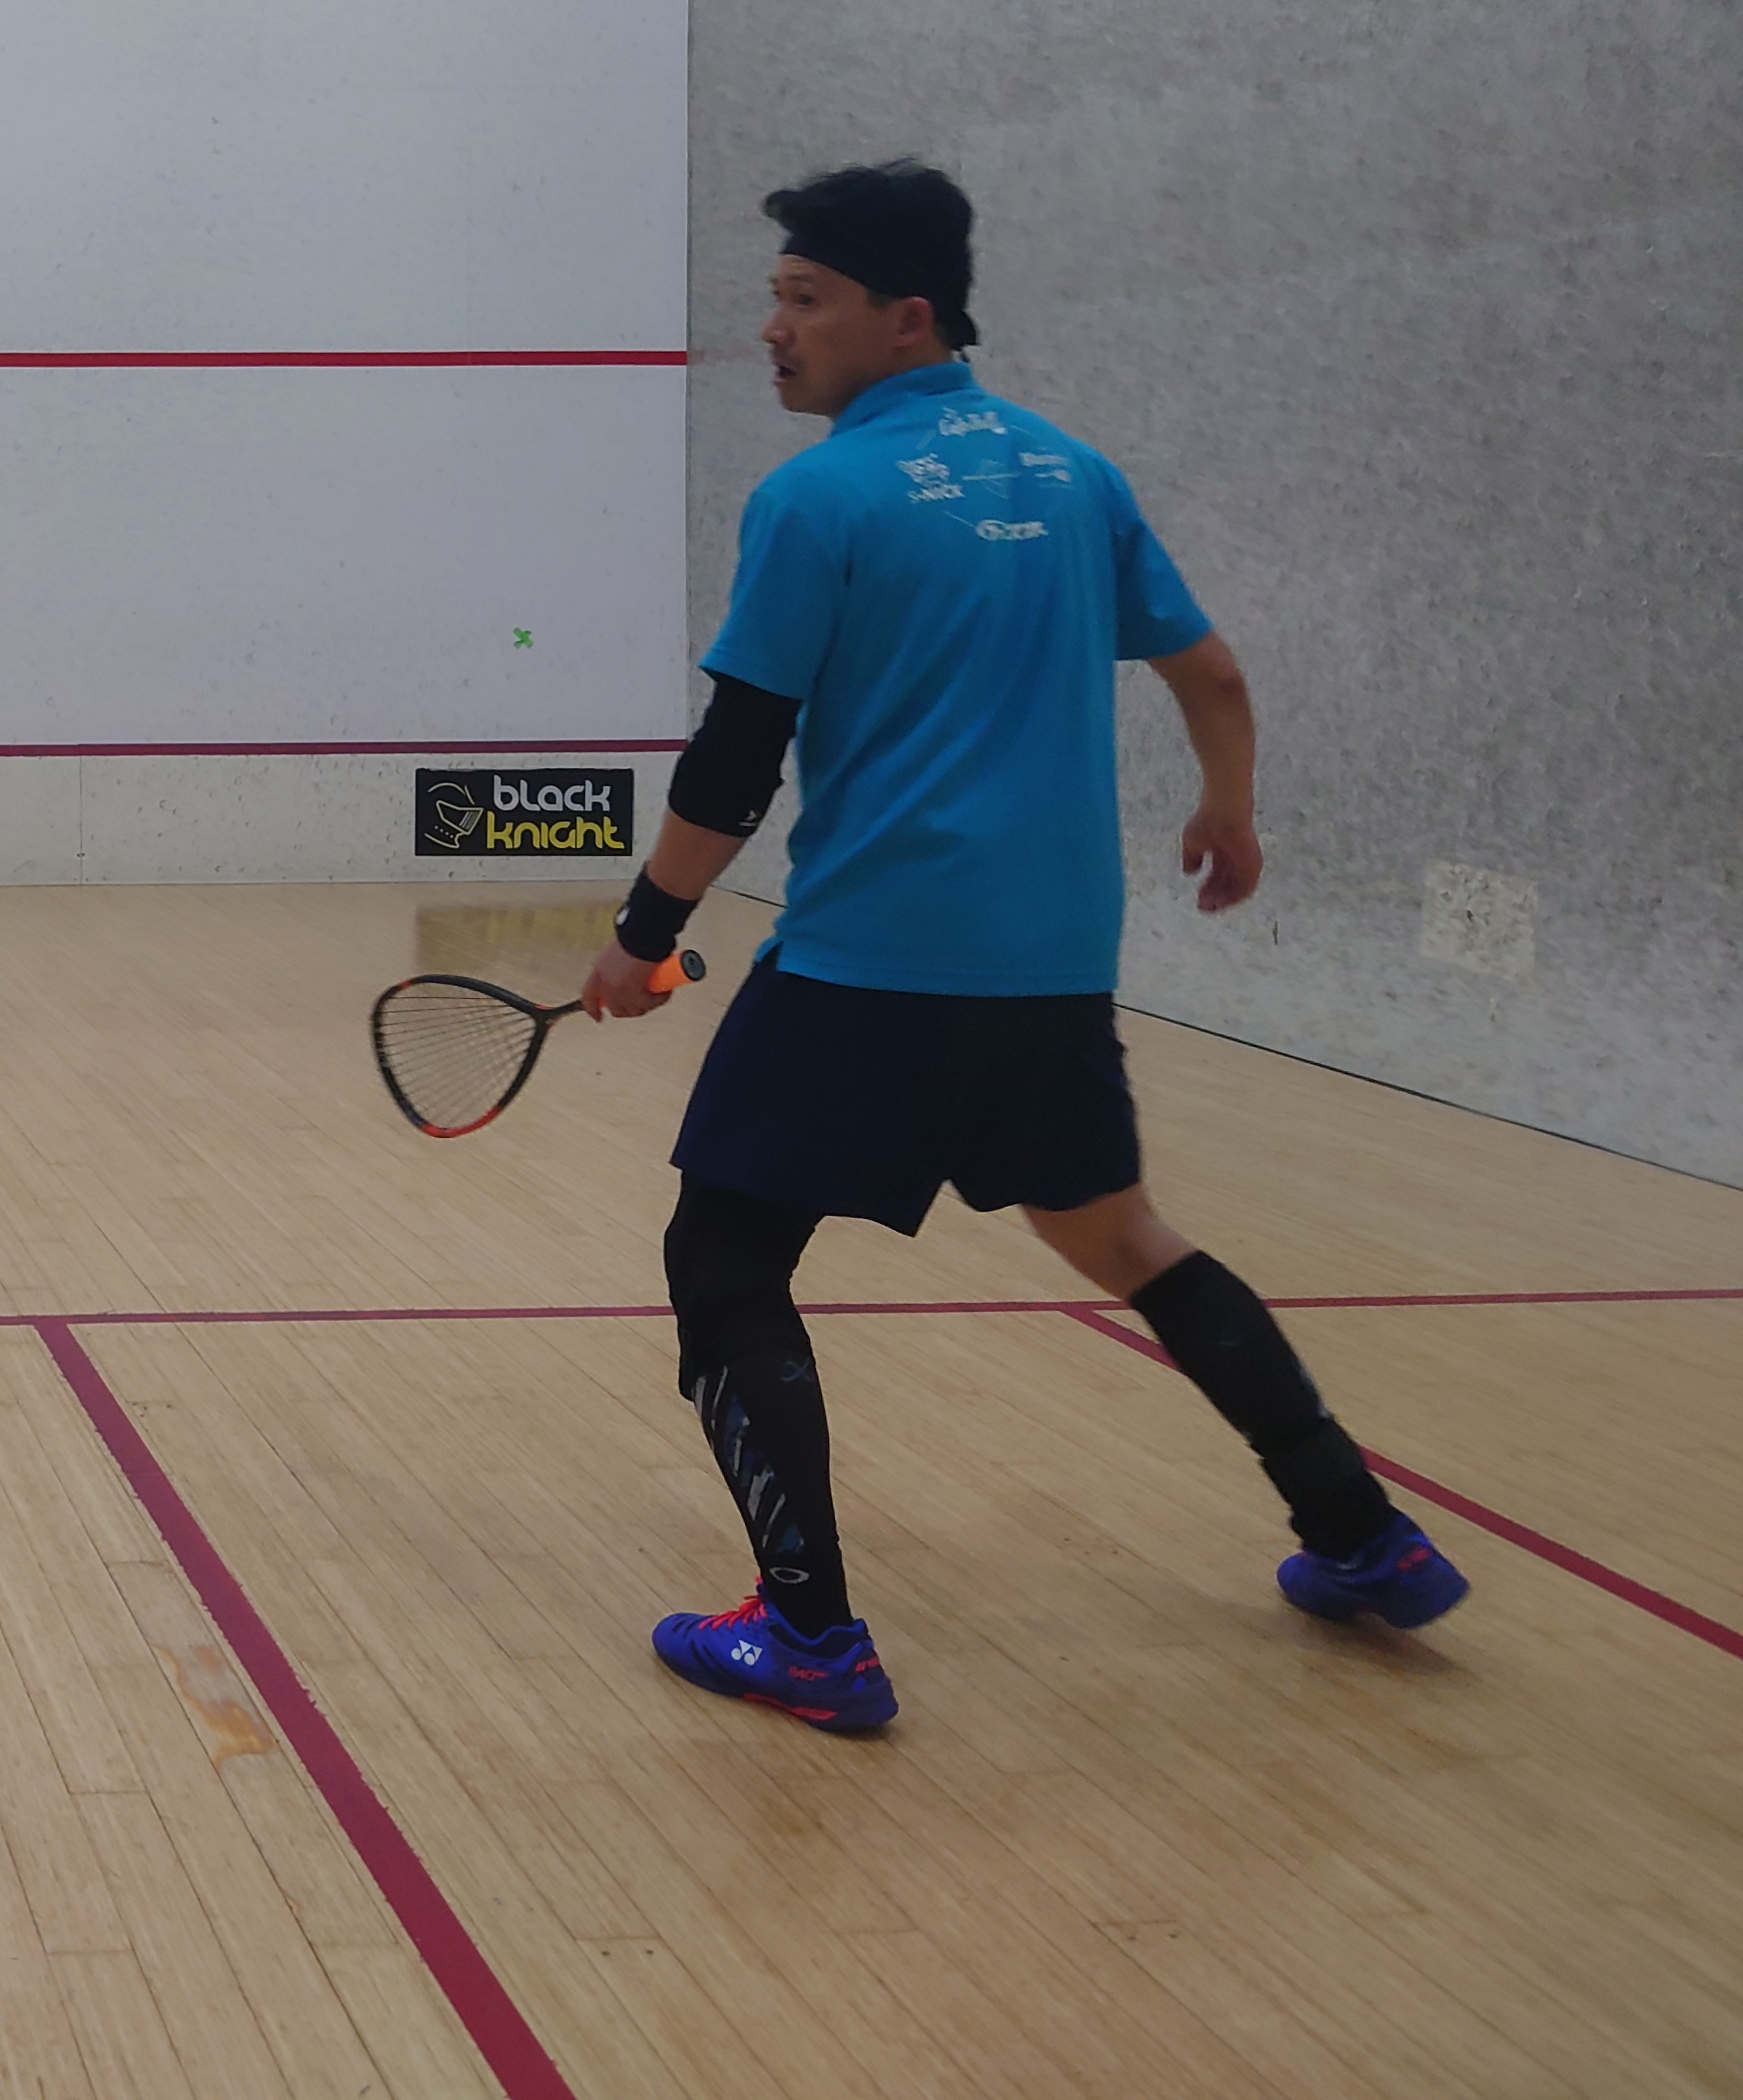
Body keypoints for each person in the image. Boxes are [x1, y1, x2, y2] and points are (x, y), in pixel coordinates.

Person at [583, 160, 1463, 1735]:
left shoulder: (817, 500)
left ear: (905, 318)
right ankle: (1362, 1535)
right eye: (774, 296)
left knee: (722, 1260)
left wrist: (645, 936)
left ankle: (811, 1637)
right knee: (1120, 1236)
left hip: (870, 960)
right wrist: (1231, 811)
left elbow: (737, 758)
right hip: (1051, 962)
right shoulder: (1074, 473)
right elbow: (1212, 673)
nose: (771, 329)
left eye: (805, 300)